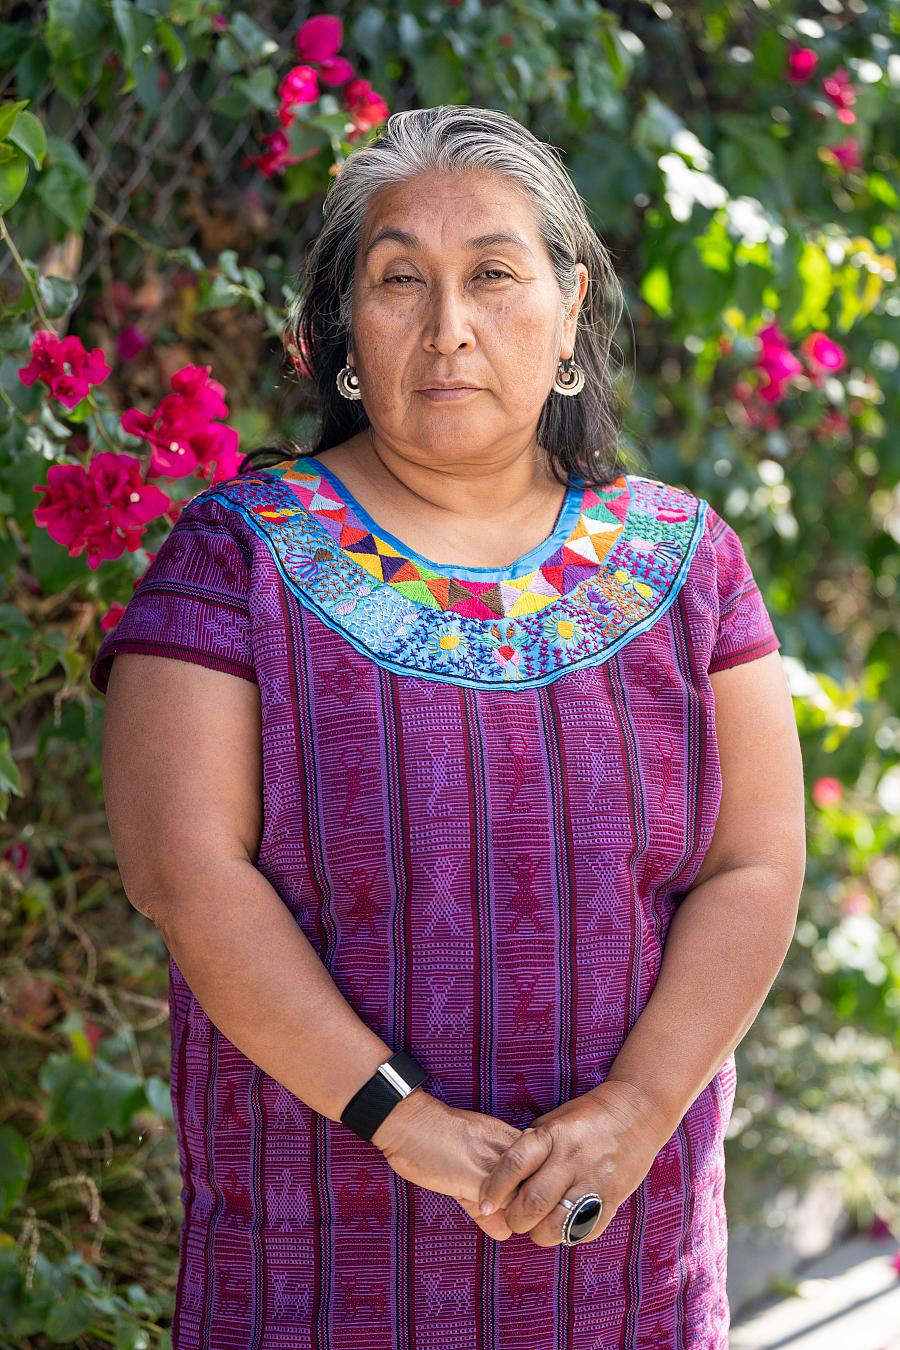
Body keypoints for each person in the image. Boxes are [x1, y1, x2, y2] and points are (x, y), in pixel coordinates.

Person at [90, 104, 806, 1348]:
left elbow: (756, 865)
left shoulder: (689, 563)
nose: (449, 328)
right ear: (344, 334)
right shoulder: (236, 559)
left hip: (622, 1249)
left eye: (492, 274)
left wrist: (637, 1108)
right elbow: (185, 875)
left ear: (569, 307)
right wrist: (398, 1117)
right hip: (318, 1249)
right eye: (399, 281)